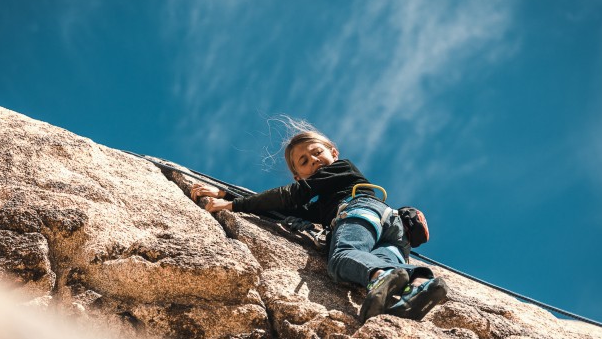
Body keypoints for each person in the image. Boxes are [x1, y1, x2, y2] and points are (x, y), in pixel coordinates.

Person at [190, 119, 448, 322]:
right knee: (389, 263)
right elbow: (283, 211)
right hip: (393, 231)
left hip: (361, 212)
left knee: (343, 256)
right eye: (303, 161)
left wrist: (234, 204)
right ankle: (419, 282)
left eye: (317, 152)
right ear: (298, 176)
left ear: (333, 152)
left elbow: (287, 197)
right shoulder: (324, 202)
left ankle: (381, 276)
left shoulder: (340, 168)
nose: (313, 160)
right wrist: (225, 193)